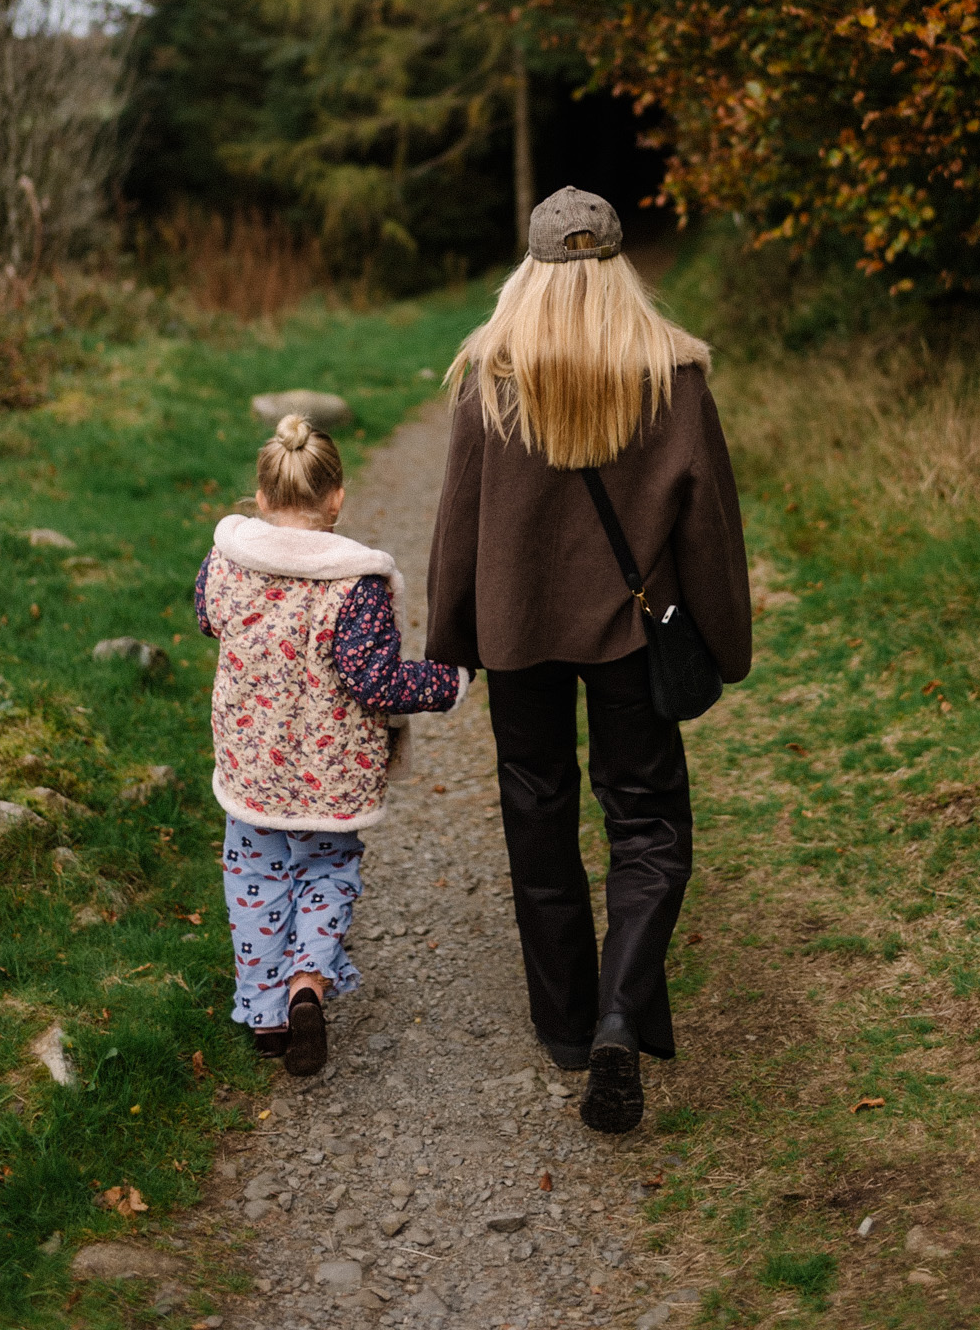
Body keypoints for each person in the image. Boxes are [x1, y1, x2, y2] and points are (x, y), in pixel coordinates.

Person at [425, 187, 752, 1134]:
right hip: (630, 629)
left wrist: (453, 636)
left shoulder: (489, 376)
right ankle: (621, 1012)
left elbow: (459, 523)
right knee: (647, 821)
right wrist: (723, 639)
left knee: (537, 811)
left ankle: (567, 1026)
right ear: (618, 268)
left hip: (518, 628)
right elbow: (711, 526)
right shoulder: (673, 376)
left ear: (530, 270)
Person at [195, 414, 469, 1077]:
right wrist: (447, 682)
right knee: (326, 873)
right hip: (330, 777)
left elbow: (206, 616)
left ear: (261, 498)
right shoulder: (357, 586)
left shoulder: (226, 564)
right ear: (336, 498)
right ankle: (306, 987)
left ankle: (264, 1016)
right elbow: (373, 680)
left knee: (254, 880)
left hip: (254, 767)